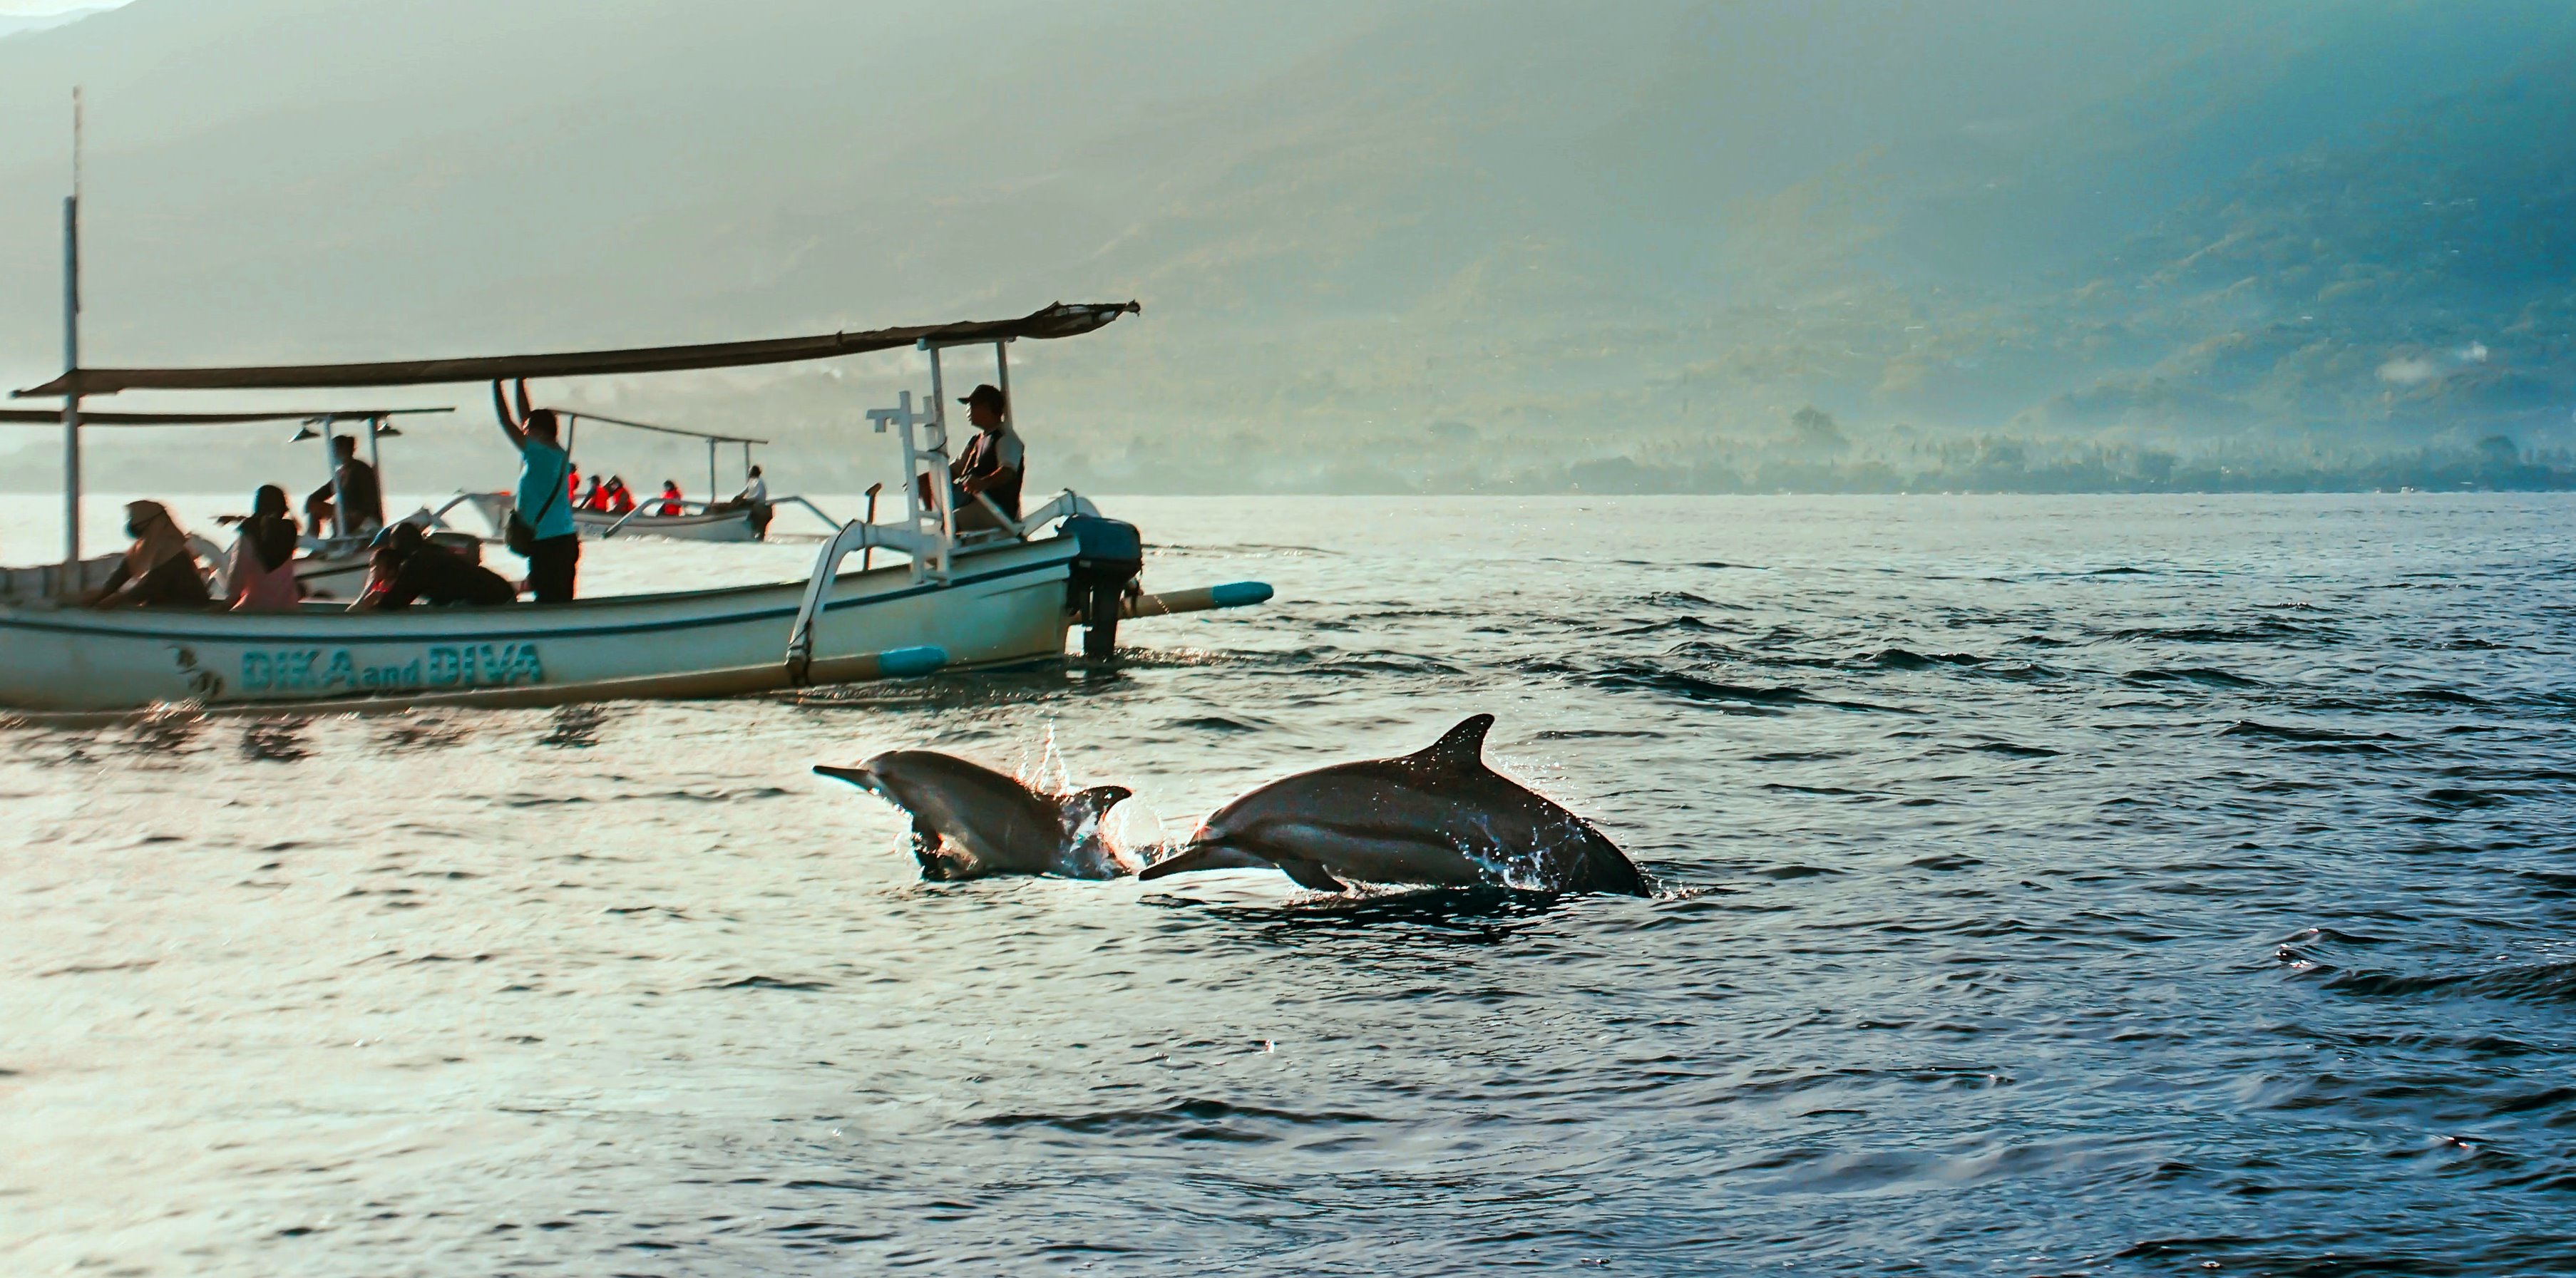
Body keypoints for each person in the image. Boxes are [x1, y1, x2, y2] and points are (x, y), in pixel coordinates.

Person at [493, 378, 580, 602]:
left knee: (548, 601)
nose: (524, 431)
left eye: (528, 429)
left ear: (537, 431)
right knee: (562, 601)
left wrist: (496, 382)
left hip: (547, 543)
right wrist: (518, 381)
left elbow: (505, 420)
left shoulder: (537, 452)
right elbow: (525, 417)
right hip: (564, 540)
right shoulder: (555, 452)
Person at [351, 522, 514, 609]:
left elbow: (391, 605)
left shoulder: (418, 564)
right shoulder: (433, 552)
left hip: (494, 603)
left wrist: (373, 584)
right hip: (502, 593)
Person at [85, 500, 211, 609]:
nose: (131, 524)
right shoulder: (146, 546)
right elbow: (124, 572)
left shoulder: (172, 548)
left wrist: (118, 599)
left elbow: (151, 587)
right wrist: (102, 595)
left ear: (153, 523)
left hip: (187, 609)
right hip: (168, 608)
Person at [950, 383, 1024, 531]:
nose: (968, 410)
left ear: (985, 407)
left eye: (971, 405)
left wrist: (982, 483)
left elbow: (1008, 472)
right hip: (973, 503)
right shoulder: (975, 441)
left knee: (951, 521)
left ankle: (947, 553)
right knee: (944, 514)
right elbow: (956, 469)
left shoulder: (1005, 438)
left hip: (995, 510)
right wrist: (927, 480)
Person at [222, 484, 302, 611]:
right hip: (289, 607)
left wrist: (228, 603)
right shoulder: (289, 530)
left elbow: (240, 573)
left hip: (257, 607)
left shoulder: (250, 532)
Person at [304, 434, 384, 538]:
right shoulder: (341, 473)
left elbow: (369, 500)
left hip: (362, 517)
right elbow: (322, 493)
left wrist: (358, 515)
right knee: (314, 509)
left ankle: (338, 536)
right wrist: (310, 502)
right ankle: (312, 540)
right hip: (344, 514)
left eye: (333, 451)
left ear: (341, 450)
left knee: (343, 516)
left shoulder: (361, 469)